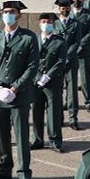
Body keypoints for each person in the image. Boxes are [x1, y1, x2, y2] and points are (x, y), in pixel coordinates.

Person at [0, 0, 41, 179]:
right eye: (6, 12)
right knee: (2, 135)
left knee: (22, 136)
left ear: (19, 15)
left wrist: (15, 88)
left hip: (20, 96)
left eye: (12, 12)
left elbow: (32, 66)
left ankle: (24, 173)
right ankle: (4, 170)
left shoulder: (29, 37)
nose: (8, 15)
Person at [32, 12, 70, 153]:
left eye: (49, 22)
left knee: (53, 112)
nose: (46, 24)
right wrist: (38, 76)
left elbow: (61, 61)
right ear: (39, 24)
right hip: (36, 81)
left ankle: (55, 141)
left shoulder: (60, 41)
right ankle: (37, 139)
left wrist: (47, 76)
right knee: (36, 110)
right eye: (43, 22)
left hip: (53, 81)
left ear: (54, 24)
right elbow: (30, 60)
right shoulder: (34, 40)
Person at [67, 0, 90, 121]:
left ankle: (89, 102)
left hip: (83, 50)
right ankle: (68, 102)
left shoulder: (89, 14)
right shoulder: (68, 14)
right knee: (69, 79)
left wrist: (80, 45)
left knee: (85, 78)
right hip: (69, 51)